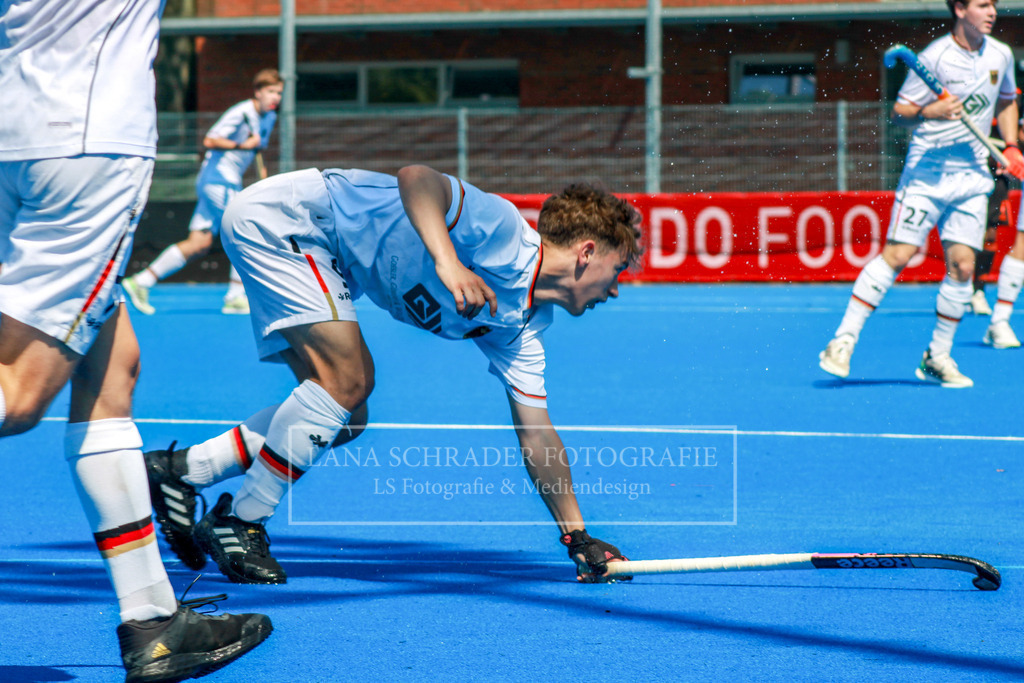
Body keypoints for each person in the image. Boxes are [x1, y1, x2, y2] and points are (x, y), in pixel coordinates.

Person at [142, 164, 641, 585]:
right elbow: (417, 178)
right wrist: (448, 263)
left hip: (320, 252)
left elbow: (537, 433)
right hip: (292, 219)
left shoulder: (523, 326)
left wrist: (577, 536)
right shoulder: (505, 235)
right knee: (349, 381)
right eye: (617, 271)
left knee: (347, 414)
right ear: (588, 252)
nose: (614, 290)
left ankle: (181, 471)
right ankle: (240, 520)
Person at [0, 1, 272, 681]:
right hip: (88, 144)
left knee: (113, 364)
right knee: (16, 392)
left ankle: (151, 619)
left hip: (17, 125)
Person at [819, 0, 1024, 387]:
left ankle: (938, 356)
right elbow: (899, 112)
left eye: (994, 4)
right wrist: (932, 111)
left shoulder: (1001, 53)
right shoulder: (935, 57)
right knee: (898, 254)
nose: (992, 11)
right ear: (960, 9)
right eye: (983, 4)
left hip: (970, 176)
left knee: (964, 266)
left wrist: (1011, 145)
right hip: (927, 175)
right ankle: (842, 340)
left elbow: (1007, 100)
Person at [124, 69, 284, 316]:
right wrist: (241, 145)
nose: (275, 97)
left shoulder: (269, 117)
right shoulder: (241, 113)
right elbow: (210, 140)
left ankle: (141, 281)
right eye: (271, 92)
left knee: (199, 243)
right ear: (258, 92)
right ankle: (235, 296)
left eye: (279, 93)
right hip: (218, 181)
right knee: (244, 230)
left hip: (227, 181)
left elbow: (256, 150)